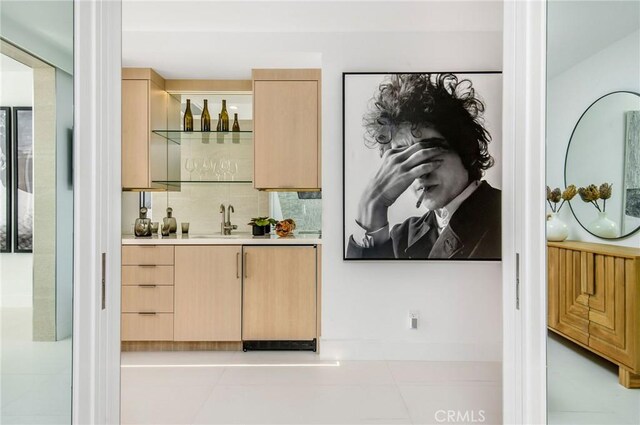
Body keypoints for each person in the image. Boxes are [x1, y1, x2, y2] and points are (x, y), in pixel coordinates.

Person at [346, 73, 501, 260]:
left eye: (430, 150)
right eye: (403, 158)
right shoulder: (401, 237)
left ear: (465, 149)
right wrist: (371, 212)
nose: (419, 171)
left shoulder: (509, 216)